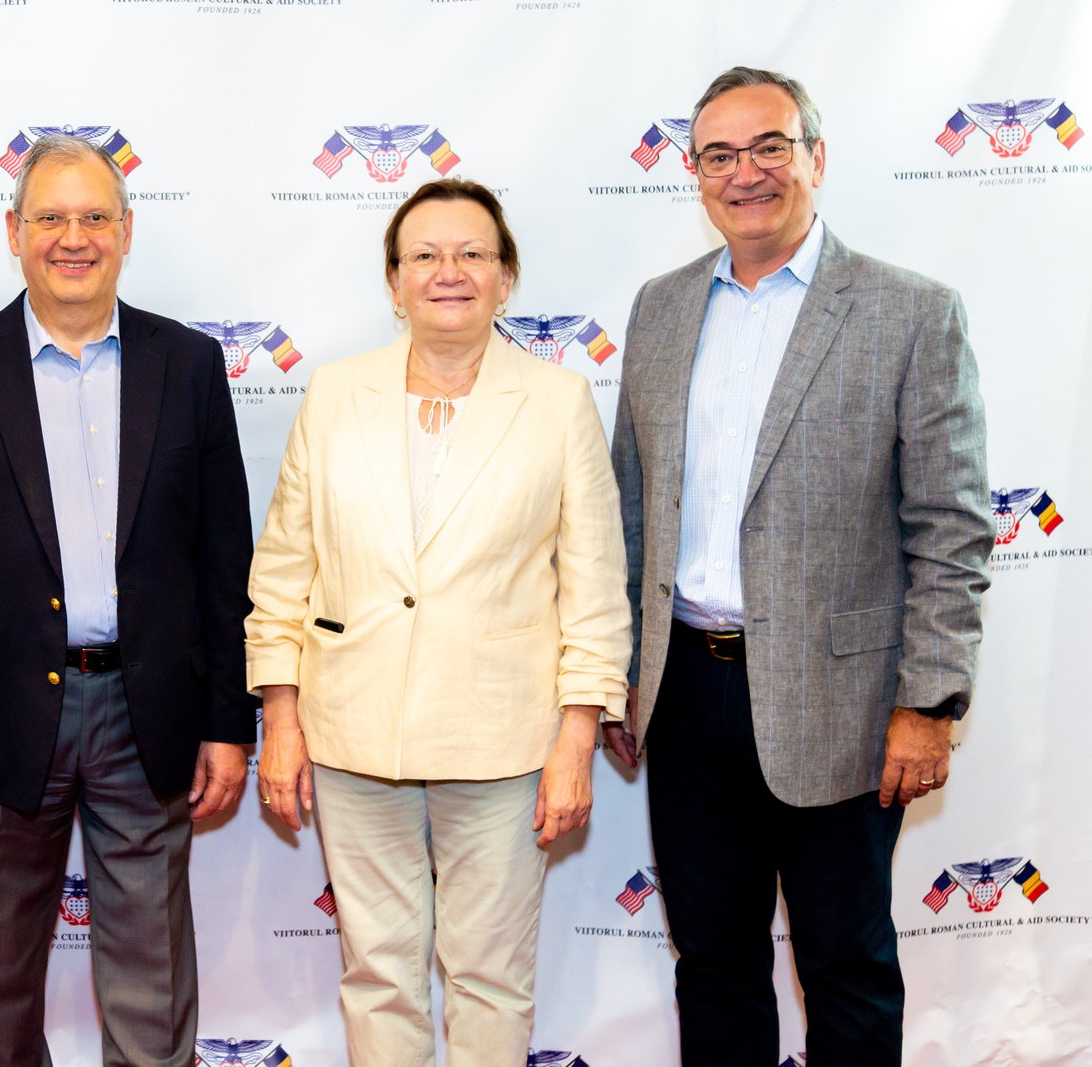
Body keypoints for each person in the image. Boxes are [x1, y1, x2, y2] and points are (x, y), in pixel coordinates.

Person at [607, 66, 991, 1064]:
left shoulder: (911, 312)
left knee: (846, 966)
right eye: (720, 155)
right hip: (684, 695)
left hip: (844, 703)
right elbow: (632, 506)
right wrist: (620, 675)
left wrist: (928, 702)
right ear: (696, 175)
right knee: (712, 963)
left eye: (769, 146)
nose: (746, 173)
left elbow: (950, 525)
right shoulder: (659, 309)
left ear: (816, 157)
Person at [0, 134, 256, 1067]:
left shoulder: (189, 364)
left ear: (127, 231)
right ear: (14, 232)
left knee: (153, 982)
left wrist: (228, 722)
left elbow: (225, 560)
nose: (73, 238)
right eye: (51, 217)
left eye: (94, 217)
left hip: (149, 709)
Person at [247, 178, 632, 1066]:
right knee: (377, 974)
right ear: (394, 281)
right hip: (352, 736)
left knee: (490, 976)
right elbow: (285, 568)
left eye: (471, 254)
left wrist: (577, 737)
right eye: (424, 255)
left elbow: (595, 588)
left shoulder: (559, 401)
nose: (447, 271)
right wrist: (281, 716)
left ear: (506, 277)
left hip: (504, 743)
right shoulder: (335, 393)